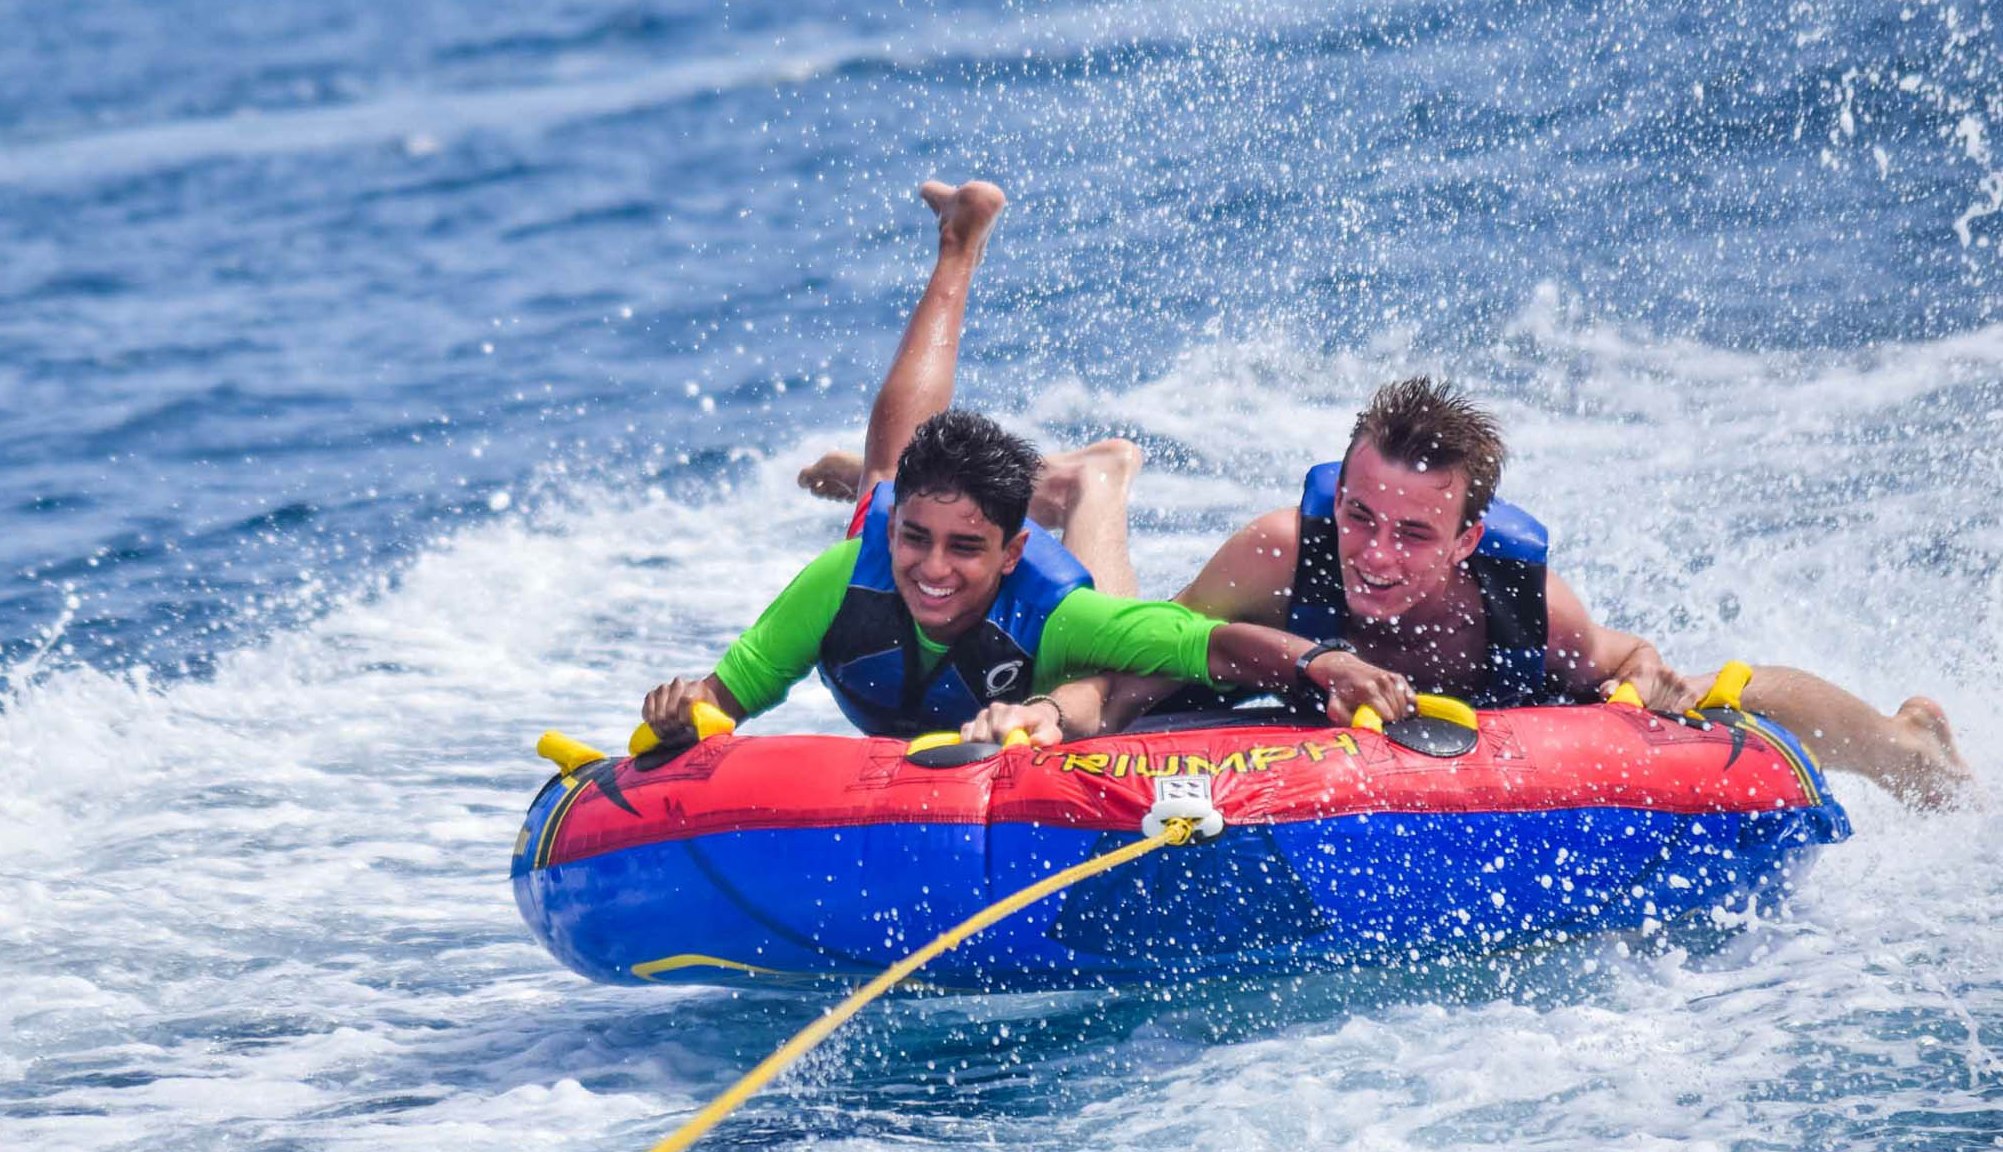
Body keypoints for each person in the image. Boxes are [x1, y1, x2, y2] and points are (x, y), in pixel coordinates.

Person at [810, 373, 1971, 808]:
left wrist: (1648, 686)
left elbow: (1620, 662)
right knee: (1115, 659)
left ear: (1466, 537)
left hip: (1503, 706)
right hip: (1294, 705)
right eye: (1359, 514)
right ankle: (1096, 489)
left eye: (1412, 532)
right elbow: (1145, 662)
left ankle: (1908, 742)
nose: (1371, 551)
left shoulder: (1525, 603)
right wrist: (1046, 717)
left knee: (1735, 687)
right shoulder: (1281, 553)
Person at [638, 181, 1416, 746]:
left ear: (1011, 553)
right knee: (889, 480)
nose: (932, 570)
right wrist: (682, 708)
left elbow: (1205, 643)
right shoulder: (845, 581)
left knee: (1105, 630)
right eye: (919, 541)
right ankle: (958, 242)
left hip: (1059, 616)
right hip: (895, 512)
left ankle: (1094, 480)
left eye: (966, 547)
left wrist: (1324, 665)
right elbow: (721, 698)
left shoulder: (1058, 614)